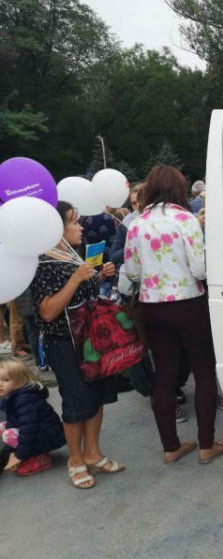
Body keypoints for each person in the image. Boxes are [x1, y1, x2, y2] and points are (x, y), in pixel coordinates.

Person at [124, 164, 223, 465]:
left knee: (165, 378)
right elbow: (199, 269)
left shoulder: (136, 223)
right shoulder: (186, 220)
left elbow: (131, 272)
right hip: (188, 303)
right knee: (205, 372)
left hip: (153, 307)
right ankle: (206, 445)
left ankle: (171, 447)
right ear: (178, 188)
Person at [30, 200, 123, 489]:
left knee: (96, 396)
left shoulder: (71, 253)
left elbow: (85, 294)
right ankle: (76, 460)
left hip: (90, 337)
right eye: (73, 222)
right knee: (76, 402)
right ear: (56, 228)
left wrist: (99, 275)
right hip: (64, 342)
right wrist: (77, 278)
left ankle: (93, 453)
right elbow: (48, 311)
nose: (80, 227)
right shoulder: (40, 261)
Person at [0, 358, 66, 476]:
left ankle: (39, 457)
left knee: (8, 434)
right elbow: (13, 423)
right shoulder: (11, 397)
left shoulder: (24, 400)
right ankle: (30, 453)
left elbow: (28, 430)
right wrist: (11, 453)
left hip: (49, 436)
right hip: (41, 432)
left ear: (20, 381)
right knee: (3, 427)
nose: (0, 384)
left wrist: (19, 456)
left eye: (6, 380)